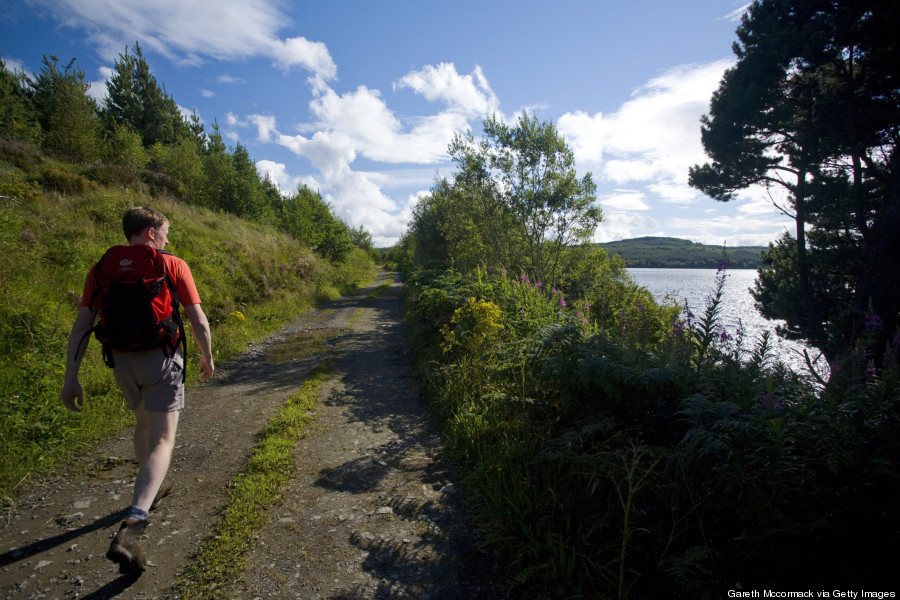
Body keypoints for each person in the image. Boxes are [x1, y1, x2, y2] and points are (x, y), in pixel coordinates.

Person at [61, 206, 214, 575]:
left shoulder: (103, 269)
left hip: (122, 362)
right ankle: (133, 525)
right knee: (164, 441)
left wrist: (71, 376)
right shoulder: (171, 264)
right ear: (149, 233)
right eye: (164, 232)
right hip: (160, 360)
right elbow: (197, 318)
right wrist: (207, 356)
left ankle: (151, 486)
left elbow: (83, 324)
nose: (167, 238)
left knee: (142, 424)